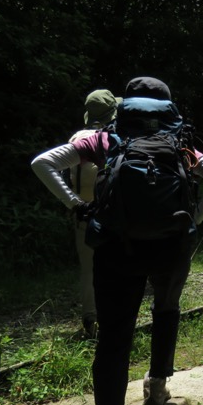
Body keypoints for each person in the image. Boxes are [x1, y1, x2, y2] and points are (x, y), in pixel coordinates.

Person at [31, 77, 203, 405]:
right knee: (166, 310)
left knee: (114, 338)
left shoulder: (103, 140)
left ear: (128, 105)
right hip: (170, 248)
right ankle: (156, 390)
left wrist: (76, 204)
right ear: (167, 108)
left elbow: (43, 163)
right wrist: (193, 219)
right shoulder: (180, 144)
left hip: (115, 247)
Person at [67, 89, 120, 338]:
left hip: (80, 211)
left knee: (88, 269)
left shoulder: (76, 137)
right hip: (106, 212)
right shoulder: (107, 139)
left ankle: (90, 318)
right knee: (114, 267)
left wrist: (72, 202)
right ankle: (111, 319)